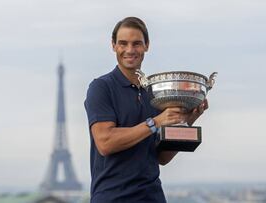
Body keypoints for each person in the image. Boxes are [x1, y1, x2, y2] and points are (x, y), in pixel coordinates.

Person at [84, 17, 208, 202]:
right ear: (113, 45)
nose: (130, 50)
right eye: (123, 43)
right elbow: (105, 142)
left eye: (137, 44)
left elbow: (162, 157)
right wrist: (155, 122)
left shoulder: (154, 93)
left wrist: (186, 120)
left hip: (152, 197)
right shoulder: (101, 87)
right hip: (112, 198)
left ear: (147, 46)